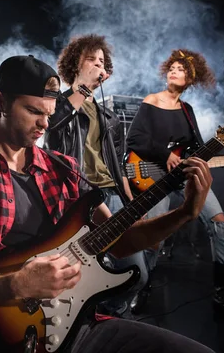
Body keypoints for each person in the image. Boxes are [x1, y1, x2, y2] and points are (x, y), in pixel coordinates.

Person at [0, 54, 216, 353]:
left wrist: (184, 213)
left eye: (49, 114)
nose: (44, 124)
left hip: (82, 325)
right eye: (33, 111)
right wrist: (16, 284)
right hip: (9, 337)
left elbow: (120, 241)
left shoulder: (65, 169)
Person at [125, 48, 224, 320]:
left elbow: (198, 151)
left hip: (186, 177)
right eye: (172, 67)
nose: (174, 71)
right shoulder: (152, 100)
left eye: (181, 69)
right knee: (154, 235)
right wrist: (165, 154)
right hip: (155, 176)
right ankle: (141, 288)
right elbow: (133, 140)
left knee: (221, 223)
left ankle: (222, 295)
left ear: (191, 78)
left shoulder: (187, 110)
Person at [44, 34, 149, 317]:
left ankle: (105, 320)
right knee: (83, 279)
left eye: (101, 61)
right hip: (78, 201)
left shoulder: (109, 117)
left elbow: (118, 167)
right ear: (74, 63)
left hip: (112, 197)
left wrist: (131, 205)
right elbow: (51, 128)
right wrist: (84, 87)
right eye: (91, 58)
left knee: (137, 274)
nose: (97, 64)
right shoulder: (56, 103)